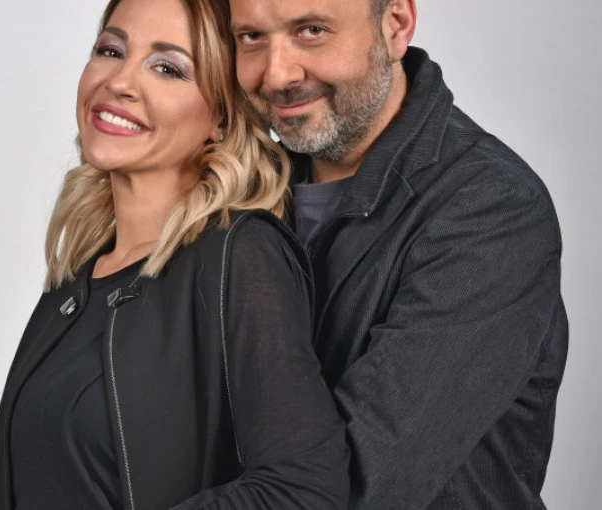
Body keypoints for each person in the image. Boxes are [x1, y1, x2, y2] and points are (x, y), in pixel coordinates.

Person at [0, 0, 348, 509]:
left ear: (221, 117)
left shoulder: (241, 254)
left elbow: (302, 489)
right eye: (111, 50)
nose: (120, 82)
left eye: (168, 68)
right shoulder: (81, 274)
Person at [228, 0, 568, 508]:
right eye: (251, 37)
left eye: (312, 30)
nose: (277, 75)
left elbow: (352, 489)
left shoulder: (493, 209)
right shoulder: (244, 186)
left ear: (396, 25)